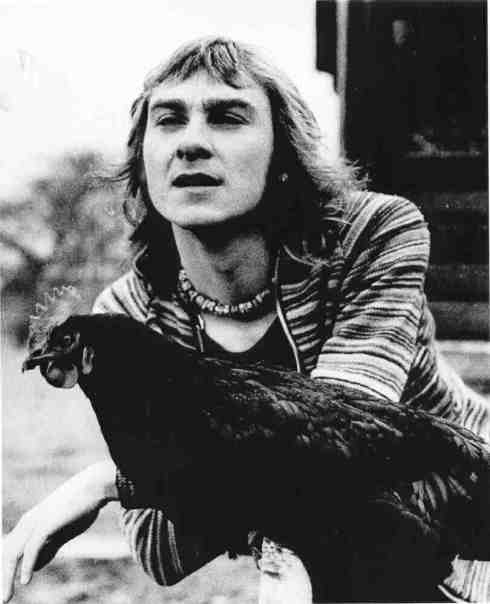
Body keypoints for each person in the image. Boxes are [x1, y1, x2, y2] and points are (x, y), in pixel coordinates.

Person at [3, 36, 489, 603]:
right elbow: (161, 552)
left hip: (464, 518)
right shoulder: (127, 320)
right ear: (143, 162)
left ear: (283, 157)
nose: (191, 142)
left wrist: (105, 482)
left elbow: (340, 442)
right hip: (341, 560)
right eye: (169, 120)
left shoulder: (370, 234)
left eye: (227, 118)